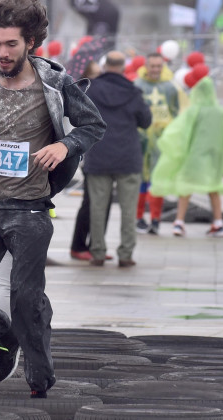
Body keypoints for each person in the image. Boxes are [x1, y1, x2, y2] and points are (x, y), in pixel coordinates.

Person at [0, 0, 106, 398]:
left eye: (11, 44)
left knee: (26, 296)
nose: (2, 53)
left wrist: (65, 146)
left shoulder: (54, 82)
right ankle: (4, 338)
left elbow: (93, 125)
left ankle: (40, 373)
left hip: (29, 207)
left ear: (30, 42)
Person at [151, 74, 223, 238]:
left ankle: (179, 222)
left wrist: (177, 152)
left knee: (185, 188)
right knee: (214, 189)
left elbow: (181, 133)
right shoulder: (222, 113)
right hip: (214, 159)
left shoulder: (193, 112)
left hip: (194, 158)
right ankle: (218, 222)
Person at [84, 50, 151, 267]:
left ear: (105, 65)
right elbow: (146, 121)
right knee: (129, 210)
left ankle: (98, 252)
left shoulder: (91, 90)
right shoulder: (133, 92)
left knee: (97, 208)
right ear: (123, 67)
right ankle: (125, 254)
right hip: (127, 158)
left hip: (98, 155)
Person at [70, 59, 111, 261]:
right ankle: (79, 245)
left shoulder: (100, 93)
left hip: (102, 154)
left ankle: (94, 244)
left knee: (99, 202)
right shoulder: (84, 95)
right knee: (89, 203)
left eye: (100, 73)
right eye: (94, 75)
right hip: (91, 155)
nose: (98, 78)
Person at [134, 52, 179, 235]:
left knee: (157, 180)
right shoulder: (137, 86)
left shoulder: (170, 88)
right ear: (146, 66)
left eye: (159, 66)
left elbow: (174, 113)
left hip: (161, 142)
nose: (155, 70)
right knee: (140, 180)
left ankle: (156, 219)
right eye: (152, 66)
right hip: (141, 141)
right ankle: (138, 218)